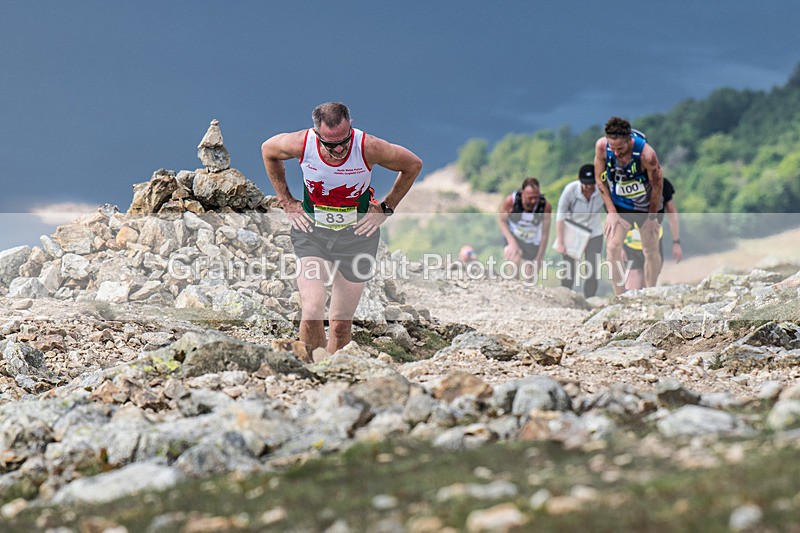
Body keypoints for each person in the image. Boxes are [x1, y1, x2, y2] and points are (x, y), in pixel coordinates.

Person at [261, 102, 422, 355]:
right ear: (317, 135)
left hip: (357, 238)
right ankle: (311, 372)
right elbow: (268, 151)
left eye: (343, 140)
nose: (338, 149)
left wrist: (386, 208)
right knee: (312, 310)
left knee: (339, 324)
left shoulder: (369, 147)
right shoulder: (301, 144)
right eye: (330, 143)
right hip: (312, 233)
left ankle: (334, 376)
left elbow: (413, 165)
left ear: (351, 127)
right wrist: (287, 202)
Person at [594, 117, 664, 296]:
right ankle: (619, 297)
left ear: (629, 140)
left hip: (647, 206)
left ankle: (650, 292)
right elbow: (600, 180)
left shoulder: (647, 155)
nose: (616, 153)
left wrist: (651, 217)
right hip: (620, 206)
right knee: (612, 248)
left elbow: (657, 186)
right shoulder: (602, 147)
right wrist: (611, 212)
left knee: (650, 250)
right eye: (613, 148)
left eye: (621, 148)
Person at [553, 164, 604, 297]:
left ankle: (590, 298)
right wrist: (560, 241)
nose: (589, 187)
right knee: (569, 268)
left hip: (594, 232)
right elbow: (560, 216)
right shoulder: (570, 190)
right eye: (586, 184)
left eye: (591, 184)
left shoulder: (602, 189)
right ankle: (566, 296)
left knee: (592, 267)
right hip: (573, 231)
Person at [623, 178, 684, 291]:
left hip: (653, 243)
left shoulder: (663, 184)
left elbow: (672, 212)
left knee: (648, 287)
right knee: (632, 289)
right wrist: (619, 247)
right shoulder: (627, 185)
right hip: (631, 245)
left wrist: (676, 243)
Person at [499, 177, 552, 279]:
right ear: (523, 193)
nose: (533, 201)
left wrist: (539, 258)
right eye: (530, 198)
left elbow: (545, 234)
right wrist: (512, 242)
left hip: (532, 241)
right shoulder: (511, 201)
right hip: (514, 236)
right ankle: (513, 288)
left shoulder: (545, 207)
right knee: (514, 260)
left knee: (530, 276)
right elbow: (502, 221)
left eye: (536, 197)